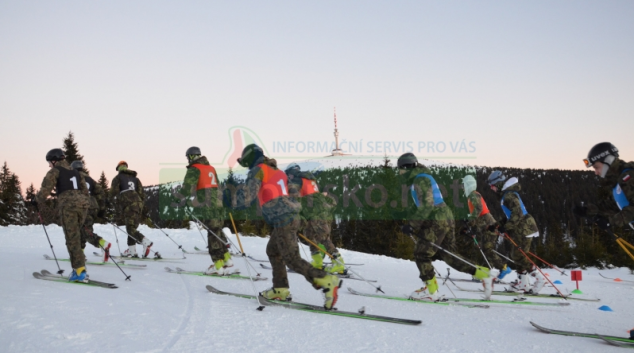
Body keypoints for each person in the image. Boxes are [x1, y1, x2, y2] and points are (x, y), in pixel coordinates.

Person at [234, 144, 341, 309]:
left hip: (284, 218)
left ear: (250, 158)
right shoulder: (277, 172)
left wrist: (230, 200)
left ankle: (326, 280)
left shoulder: (258, 170)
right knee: (273, 251)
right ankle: (280, 289)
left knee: (292, 259)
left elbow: (247, 198)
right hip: (290, 216)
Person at [398, 153, 497, 301]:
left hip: (437, 217)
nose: (399, 172)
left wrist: (412, 225)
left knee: (421, 254)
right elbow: (422, 203)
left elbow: (427, 204)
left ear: (407, 167)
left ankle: (431, 292)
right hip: (445, 215)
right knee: (450, 255)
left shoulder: (420, 179)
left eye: (400, 169)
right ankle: (485, 274)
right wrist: (407, 220)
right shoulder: (421, 177)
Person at [33, 149, 91, 282]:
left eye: (49, 162)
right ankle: (80, 268)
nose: (49, 165)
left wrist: (36, 200)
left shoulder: (55, 171)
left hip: (68, 207)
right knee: (76, 236)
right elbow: (85, 191)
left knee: (72, 238)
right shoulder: (76, 172)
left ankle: (80, 272)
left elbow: (45, 190)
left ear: (54, 160)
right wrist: (83, 202)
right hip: (83, 206)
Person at [174, 146, 231, 275]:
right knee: (218, 230)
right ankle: (226, 259)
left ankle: (218, 265)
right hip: (218, 202)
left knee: (212, 233)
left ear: (192, 156)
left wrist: (180, 198)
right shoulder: (210, 168)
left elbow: (188, 187)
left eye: (188, 157)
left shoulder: (194, 169)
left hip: (208, 204)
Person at [487, 171, 545, 294]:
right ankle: (524, 284)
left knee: (519, 256)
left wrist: (506, 227)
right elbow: (509, 215)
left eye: (492, 185)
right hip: (520, 229)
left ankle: (540, 279)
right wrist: (496, 226)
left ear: (498, 183)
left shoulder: (509, 195)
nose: (491, 188)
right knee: (517, 255)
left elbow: (517, 214)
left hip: (524, 228)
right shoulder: (506, 195)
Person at [285, 163, 344, 273]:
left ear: (290, 173)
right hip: (314, 211)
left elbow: (294, 200)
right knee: (310, 235)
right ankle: (317, 261)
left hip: (315, 212)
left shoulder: (297, 180)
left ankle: (338, 262)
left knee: (322, 237)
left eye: (287, 175)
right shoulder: (308, 178)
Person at [573, 142, 634, 232]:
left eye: (596, 167)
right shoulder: (618, 182)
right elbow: (612, 205)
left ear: (608, 161)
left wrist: (610, 222)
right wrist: (587, 210)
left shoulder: (629, 177)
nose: (596, 172)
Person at [461, 175, 511, 279]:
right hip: (485, 225)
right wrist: (468, 225)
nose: (463, 187)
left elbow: (478, 209)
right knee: (485, 249)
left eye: (464, 185)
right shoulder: (472, 196)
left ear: (469, 185)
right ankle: (487, 273)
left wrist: (469, 221)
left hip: (488, 224)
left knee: (488, 249)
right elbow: (476, 214)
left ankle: (503, 268)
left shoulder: (473, 195)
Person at [109, 161, 156, 258]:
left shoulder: (117, 178)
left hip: (128, 203)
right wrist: (141, 207)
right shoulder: (136, 179)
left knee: (130, 228)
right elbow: (142, 194)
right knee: (132, 228)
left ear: (118, 169)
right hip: (138, 203)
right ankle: (132, 251)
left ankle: (145, 242)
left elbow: (113, 192)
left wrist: (108, 201)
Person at [70, 161, 111, 262]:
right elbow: (100, 192)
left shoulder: (74, 178)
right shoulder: (90, 179)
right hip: (92, 206)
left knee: (85, 230)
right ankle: (81, 254)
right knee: (82, 230)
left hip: (81, 207)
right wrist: (101, 209)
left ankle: (102, 243)